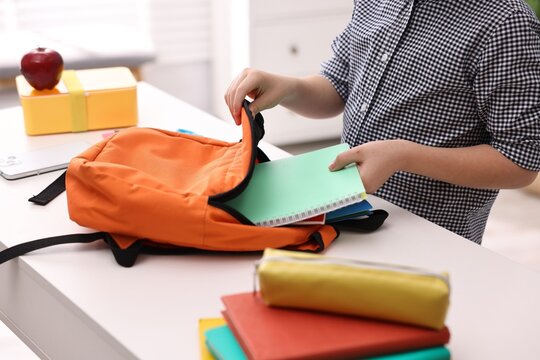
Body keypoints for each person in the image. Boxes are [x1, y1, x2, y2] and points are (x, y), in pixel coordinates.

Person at [224, 0, 540, 244]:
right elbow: (339, 85)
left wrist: (402, 156)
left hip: (433, 241)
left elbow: (520, 161)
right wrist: (291, 88)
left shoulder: (506, 25)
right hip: (349, 217)